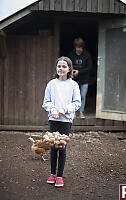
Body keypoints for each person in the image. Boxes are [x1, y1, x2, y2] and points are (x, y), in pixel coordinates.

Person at [42, 56, 81, 187]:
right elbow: (46, 102)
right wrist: (52, 109)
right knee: (53, 146)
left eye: (64, 66)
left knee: (62, 147)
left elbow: (77, 103)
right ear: (56, 68)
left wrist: (65, 110)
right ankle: (52, 173)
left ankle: (60, 176)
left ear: (69, 68)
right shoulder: (51, 84)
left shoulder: (73, 85)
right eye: (59, 66)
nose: (61, 68)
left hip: (66, 121)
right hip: (53, 119)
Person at [69, 37, 93, 118]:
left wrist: (79, 72)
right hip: (74, 80)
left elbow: (89, 67)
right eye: (77, 47)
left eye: (80, 47)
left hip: (84, 79)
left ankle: (81, 112)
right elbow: (68, 65)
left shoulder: (87, 55)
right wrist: (71, 71)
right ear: (74, 47)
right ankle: (74, 111)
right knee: (74, 96)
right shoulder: (71, 54)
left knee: (83, 95)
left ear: (82, 47)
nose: (78, 49)